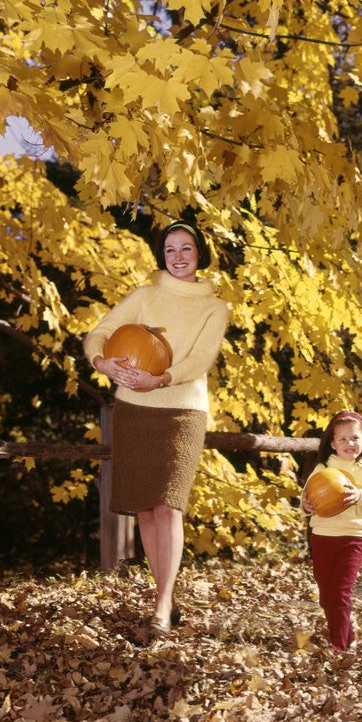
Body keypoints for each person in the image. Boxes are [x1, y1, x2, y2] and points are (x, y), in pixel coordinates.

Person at [84, 222, 229, 637]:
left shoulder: (215, 307)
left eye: (186, 249)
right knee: (146, 507)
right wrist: (102, 362)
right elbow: (99, 333)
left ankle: (163, 603)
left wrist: (159, 380)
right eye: (170, 250)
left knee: (168, 504)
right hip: (133, 409)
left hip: (182, 411)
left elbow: (199, 360)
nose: (178, 257)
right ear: (161, 255)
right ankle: (162, 594)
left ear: (200, 253)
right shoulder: (145, 296)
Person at [301, 412, 362, 654]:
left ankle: (339, 647)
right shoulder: (323, 467)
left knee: (339, 594)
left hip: (353, 536)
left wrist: (360, 495)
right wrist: (306, 505)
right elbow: (307, 497)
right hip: (322, 535)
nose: (349, 444)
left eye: (354, 438)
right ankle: (347, 636)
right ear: (332, 443)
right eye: (342, 439)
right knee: (325, 595)